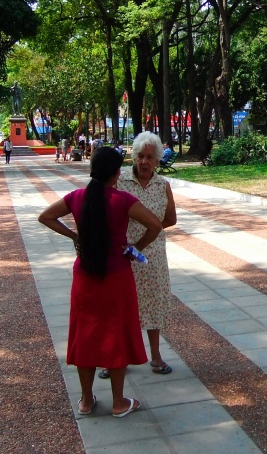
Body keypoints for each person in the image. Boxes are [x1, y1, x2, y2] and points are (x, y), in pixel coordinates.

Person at [38, 147, 163, 418]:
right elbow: (155, 225)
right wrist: (133, 247)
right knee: (116, 334)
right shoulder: (123, 200)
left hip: (85, 276)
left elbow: (45, 216)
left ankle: (85, 400)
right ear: (117, 173)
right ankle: (119, 402)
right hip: (117, 275)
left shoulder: (77, 197)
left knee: (85, 334)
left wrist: (74, 236)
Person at [99, 132, 177, 380]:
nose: (144, 162)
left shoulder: (163, 185)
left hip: (153, 255)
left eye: (150, 157)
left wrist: (150, 232)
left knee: (154, 305)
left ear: (157, 160)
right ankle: (114, 358)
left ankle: (155, 355)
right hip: (123, 255)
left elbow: (171, 219)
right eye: (140, 156)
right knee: (119, 306)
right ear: (133, 157)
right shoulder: (120, 183)